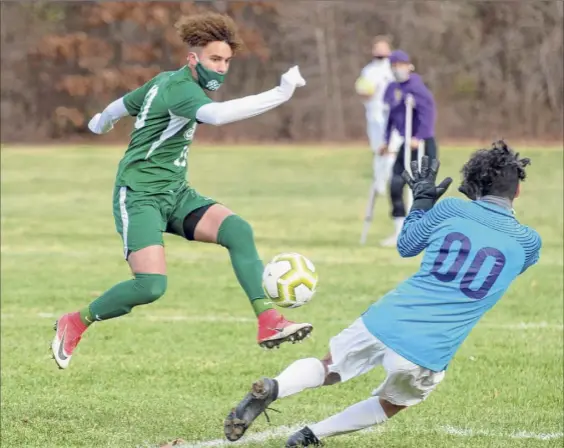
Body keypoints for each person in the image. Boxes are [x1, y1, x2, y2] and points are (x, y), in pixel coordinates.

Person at [223, 141, 541, 447]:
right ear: (519, 190)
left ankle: (276, 386)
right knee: (391, 404)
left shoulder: (452, 210)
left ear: (471, 187)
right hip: (428, 349)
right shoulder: (529, 243)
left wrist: (421, 202)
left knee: (329, 367)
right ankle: (311, 436)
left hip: (385, 319)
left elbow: (407, 245)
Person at [51, 13, 312, 370]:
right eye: (214, 60)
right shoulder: (181, 90)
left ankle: (268, 320)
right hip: (139, 194)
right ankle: (76, 321)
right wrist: (281, 93)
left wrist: (101, 120)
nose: (221, 68)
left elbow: (125, 103)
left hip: (175, 192)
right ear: (193, 58)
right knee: (150, 287)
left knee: (238, 230)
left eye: (226, 61)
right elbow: (218, 116)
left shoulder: (163, 81)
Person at [379, 49, 438, 247]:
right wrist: (386, 140)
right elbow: (390, 117)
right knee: (396, 183)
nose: (397, 70)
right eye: (394, 66)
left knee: (422, 188)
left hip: (422, 143)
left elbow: (428, 115)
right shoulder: (391, 88)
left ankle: (423, 232)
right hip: (404, 142)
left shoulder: (417, 87)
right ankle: (399, 230)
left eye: (400, 65)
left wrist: (419, 136)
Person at [355, 36, 396, 198]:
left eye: (383, 48)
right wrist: (365, 93)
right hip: (374, 114)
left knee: (391, 149)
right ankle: (379, 182)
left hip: (391, 115)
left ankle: (393, 180)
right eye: (377, 48)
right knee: (379, 149)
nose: (380, 51)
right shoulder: (368, 71)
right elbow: (363, 92)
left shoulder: (392, 70)